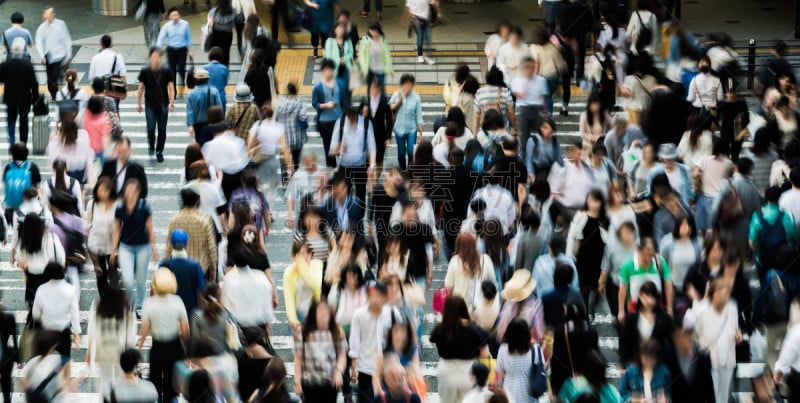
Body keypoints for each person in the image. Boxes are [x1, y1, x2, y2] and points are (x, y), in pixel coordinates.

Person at [138, 268, 189, 403]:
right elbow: (185, 331)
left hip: (157, 349)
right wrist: (187, 349)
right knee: (171, 387)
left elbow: (143, 331)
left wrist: (139, 349)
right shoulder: (177, 301)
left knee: (155, 383)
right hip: (174, 347)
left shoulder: (149, 303)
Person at [430, 295, 490, 403]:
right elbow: (485, 354)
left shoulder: (440, 329)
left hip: (446, 371)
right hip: (468, 372)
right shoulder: (475, 329)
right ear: (464, 309)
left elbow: (433, 338)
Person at [111, 179, 157, 316]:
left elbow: (150, 228)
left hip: (143, 246)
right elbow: (117, 230)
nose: (130, 193)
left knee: (141, 279)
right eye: (128, 191)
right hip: (126, 247)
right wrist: (113, 250)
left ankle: (140, 305)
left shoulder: (144, 206)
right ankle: (130, 303)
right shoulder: (120, 207)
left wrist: (154, 247)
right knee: (127, 280)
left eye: (133, 191)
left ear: (138, 192)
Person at [692, 278, 740, 403]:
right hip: (710, 360)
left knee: (724, 396)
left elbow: (735, 328)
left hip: (728, 358)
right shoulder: (701, 310)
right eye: (723, 294)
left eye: (728, 294)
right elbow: (694, 335)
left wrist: (737, 334)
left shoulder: (732, 308)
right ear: (714, 293)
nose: (726, 298)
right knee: (713, 395)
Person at [294, 300, 348, 402]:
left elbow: (342, 355)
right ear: (313, 314)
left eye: (326, 312)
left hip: (330, 383)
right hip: (309, 383)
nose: (324, 315)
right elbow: (298, 358)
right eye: (321, 312)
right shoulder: (303, 331)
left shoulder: (337, 331)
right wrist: (297, 381)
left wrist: (339, 372)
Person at [86, 288, 136, 397]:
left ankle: (105, 399)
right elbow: (131, 339)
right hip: (120, 352)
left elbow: (91, 334)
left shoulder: (97, 314)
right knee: (120, 380)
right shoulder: (126, 315)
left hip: (102, 351)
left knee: (105, 380)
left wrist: (89, 355)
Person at [349, 281, 393, 403]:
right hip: (366, 367)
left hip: (385, 369)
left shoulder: (390, 314)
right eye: (373, 295)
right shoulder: (359, 315)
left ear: (385, 298)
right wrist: (354, 367)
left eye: (379, 296)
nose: (376, 299)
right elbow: (355, 342)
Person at [618, 237, 673, 324]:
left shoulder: (660, 262)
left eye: (651, 255)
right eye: (646, 254)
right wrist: (621, 311)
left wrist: (669, 307)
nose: (648, 258)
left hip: (656, 306)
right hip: (634, 306)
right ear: (639, 251)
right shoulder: (628, 264)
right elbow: (623, 288)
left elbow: (668, 284)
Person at [32, 262, 81, 359]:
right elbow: (74, 313)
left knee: (43, 360)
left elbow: (35, 314)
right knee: (65, 361)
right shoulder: (71, 290)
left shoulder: (41, 289)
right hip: (63, 331)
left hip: (46, 331)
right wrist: (77, 335)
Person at [619, 281, 674, 366]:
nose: (647, 301)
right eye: (644, 297)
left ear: (656, 298)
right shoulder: (633, 317)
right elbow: (625, 340)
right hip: (636, 360)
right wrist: (623, 361)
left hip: (657, 361)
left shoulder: (664, 318)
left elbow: (671, 342)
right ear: (639, 297)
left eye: (650, 297)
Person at [201, 110, 250, 202]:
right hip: (236, 178)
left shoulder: (208, 146)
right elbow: (243, 162)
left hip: (219, 178)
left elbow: (206, 164)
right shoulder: (237, 142)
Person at [330, 106, 377, 202]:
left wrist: (372, 165)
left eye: (353, 117)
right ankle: (345, 215)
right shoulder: (340, 123)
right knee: (344, 194)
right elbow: (332, 152)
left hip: (360, 165)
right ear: (346, 115)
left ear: (357, 115)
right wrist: (339, 148)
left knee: (361, 193)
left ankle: (359, 214)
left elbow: (372, 146)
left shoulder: (366, 124)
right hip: (344, 166)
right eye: (349, 117)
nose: (351, 120)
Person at [249, 104, 294, 203]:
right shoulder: (278, 127)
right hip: (272, 161)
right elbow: (284, 149)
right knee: (271, 189)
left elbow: (249, 146)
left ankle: (257, 207)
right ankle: (268, 210)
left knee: (258, 186)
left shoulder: (257, 125)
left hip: (258, 162)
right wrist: (290, 165)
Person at [221, 250, 275, 333]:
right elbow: (267, 312)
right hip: (258, 325)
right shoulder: (261, 277)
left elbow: (225, 306)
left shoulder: (228, 280)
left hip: (238, 326)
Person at [136, 47, 175, 162]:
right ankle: (151, 144)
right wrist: (138, 103)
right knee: (151, 128)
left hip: (163, 105)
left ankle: (159, 151)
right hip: (150, 105)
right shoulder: (145, 71)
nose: (156, 59)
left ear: (161, 57)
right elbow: (140, 88)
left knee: (162, 130)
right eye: (153, 56)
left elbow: (171, 88)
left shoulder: (167, 71)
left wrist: (172, 103)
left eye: (158, 56)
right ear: (150, 57)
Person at [0, 37, 38, 144]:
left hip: (10, 98)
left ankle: (12, 142)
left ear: (12, 51)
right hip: (25, 98)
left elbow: (1, 79)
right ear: (22, 51)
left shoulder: (5, 65)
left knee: (11, 120)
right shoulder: (28, 65)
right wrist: (35, 98)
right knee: (23, 121)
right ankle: (23, 143)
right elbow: (34, 84)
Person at [444, 232, 495, 310]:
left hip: (459, 307)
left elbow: (448, 286)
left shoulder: (455, 261)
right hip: (480, 306)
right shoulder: (486, 259)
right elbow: (492, 282)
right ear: (475, 244)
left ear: (458, 245)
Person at [664, 326, 715, 403]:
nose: (682, 340)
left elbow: (709, 386)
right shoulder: (668, 356)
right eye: (678, 336)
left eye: (685, 335)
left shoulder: (703, 356)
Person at [495, 318, 538, 403]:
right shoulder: (535, 350)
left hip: (509, 392)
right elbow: (541, 369)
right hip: (530, 393)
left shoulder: (503, 349)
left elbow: (499, 373)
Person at [512, 57, 548, 156]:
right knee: (524, 139)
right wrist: (527, 81)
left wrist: (545, 112)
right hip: (524, 109)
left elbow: (542, 98)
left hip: (537, 110)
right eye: (527, 67)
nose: (530, 69)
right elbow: (520, 95)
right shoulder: (517, 80)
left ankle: (540, 158)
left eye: (532, 66)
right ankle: (524, 160)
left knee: (541, 137)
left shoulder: (541, 80)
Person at [284, 240, 323, 330]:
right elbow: (289, 299)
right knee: (296, 343)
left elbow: (314, 285)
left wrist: (301, 267)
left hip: (312, 315)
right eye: (302, 253)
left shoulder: (317, 265)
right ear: (295, 256)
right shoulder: (290, 272)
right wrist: (293, 320)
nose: (305, 256)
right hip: (296, 314)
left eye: (308, 253)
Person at [87, 178, 118, 291]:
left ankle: (114, 300)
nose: (103, 193)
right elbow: (88, 225)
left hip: (112, 246)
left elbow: (119, 227)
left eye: (106, 190)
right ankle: (104, 301)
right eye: (100, 190)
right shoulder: (92, 204)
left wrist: (115, 251)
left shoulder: (116, 204)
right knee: (101, 276)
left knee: (114, 275)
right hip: (97, 245)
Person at [35, 6, 72, 100]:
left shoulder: (60, 24)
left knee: (54, 76)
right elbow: (38, 41)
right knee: (50, 78)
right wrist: (41, 55)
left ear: (53, 14)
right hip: (48, 56)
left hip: (60, 55)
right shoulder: (42, 27)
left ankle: (57, 96)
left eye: (50, 13)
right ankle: (54, 95)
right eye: (47, 14)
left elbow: (66, 39)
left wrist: (69, 53)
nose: (48, 15)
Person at [390, 74, 424, 171]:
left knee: (410, 151)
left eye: (409, 84)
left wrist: (421, 131)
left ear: (412, 85)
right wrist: (396, 104)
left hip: (411, 129)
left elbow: (419, 115)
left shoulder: (416, 97)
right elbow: (388, 107)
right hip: (399, 128)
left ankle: (411, 170)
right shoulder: (397, 94)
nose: (407, 87)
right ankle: (403, 170)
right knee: (401, 152)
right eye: (405, 84)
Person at [312, 60, 342, 168]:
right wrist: (326, 105)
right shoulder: (318, 87)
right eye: (326, 70)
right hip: (325, 121)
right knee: (329, 147)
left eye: (330, 70)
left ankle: (343, 168)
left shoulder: (339, 83)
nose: (328, 72)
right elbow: (314, 103)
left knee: (341, 146)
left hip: (339, 120)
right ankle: (332, 169)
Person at [45, 118, 93, 185]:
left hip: (62, 173)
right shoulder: (83, 136)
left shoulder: (56, 140)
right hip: (79, 173)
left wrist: (56, 131)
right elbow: (88, 157)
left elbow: (51, 158)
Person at [276, 83, 309, 176]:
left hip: (285, 140)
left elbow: (276, 119)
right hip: (297, 139)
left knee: (285, 162)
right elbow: (303, 118)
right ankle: (294, 180)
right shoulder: (300, 103)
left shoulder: (280, 104)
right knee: (295, 162)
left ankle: (285, 180)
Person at [156, 7, 193, 91]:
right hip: (171, 50)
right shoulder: (167, 26)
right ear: (170, 17)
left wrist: (190, 51)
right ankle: (174, 92)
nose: (175, 17)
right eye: (173, 15)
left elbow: (188, 38)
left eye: (176, 15)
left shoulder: (185, 24)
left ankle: (182, 79)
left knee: (181, 69)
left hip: (182, 50)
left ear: (179, 15)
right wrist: (158, 51)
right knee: (171, 72)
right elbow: (160, 38)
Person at [187, 68, 224, 143]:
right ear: (208, 79)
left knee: (201, 146)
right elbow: (219, 108)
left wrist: (190, 126)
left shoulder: (191, 94)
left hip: (198, 126)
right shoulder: (214, 91)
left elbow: (190, 112)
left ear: (196, 80)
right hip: (213, 124)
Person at [475, 67, 515, 132]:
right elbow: (511, 112)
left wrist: (475, 135)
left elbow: (477, 116)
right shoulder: (505, 92)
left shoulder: (479, 92)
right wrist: (514, 127)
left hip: (486, 133)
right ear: (500, 78)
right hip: (503, 132)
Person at [324, 23, 355, 108]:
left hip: (346, 68)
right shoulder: (329, 41)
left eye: (342, 29)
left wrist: (344, 59)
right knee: (336, 88)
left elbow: (351, 52)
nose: (340, 31)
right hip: (334, 69)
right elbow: (328, 56)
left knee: (345, 87)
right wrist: (338, 60)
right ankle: (337, 105)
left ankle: (345, 106)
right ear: (334, 30)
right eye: (338, 29)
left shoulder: (348, 40)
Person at [358, 22, 393, 90]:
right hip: (369, 69)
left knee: (381, 90)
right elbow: (361, 55)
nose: (373, 33)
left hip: (381, 69)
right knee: (370, 90)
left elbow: (387, 55)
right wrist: (364, 69)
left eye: (375, 30)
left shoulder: (383, 39)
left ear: (378, 30)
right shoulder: (366, 40)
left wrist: (390, 69)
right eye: (371, 31)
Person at [207, 0, 237, 66]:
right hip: (228, 35)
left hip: (216, 34)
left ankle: (215, 67)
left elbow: (210, 24)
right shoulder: (233, 11)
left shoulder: (213, 11)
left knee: (215, 52)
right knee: (226, 52)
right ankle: (225, 68)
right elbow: (234, 24)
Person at [406, 0, 434, 64]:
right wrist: (413, 17)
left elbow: (432, 2)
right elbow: (409, 9)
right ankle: (420, 55)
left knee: (427, 37)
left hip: (426, 19)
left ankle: (429, 56)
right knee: (420, 36)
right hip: (416, 19)